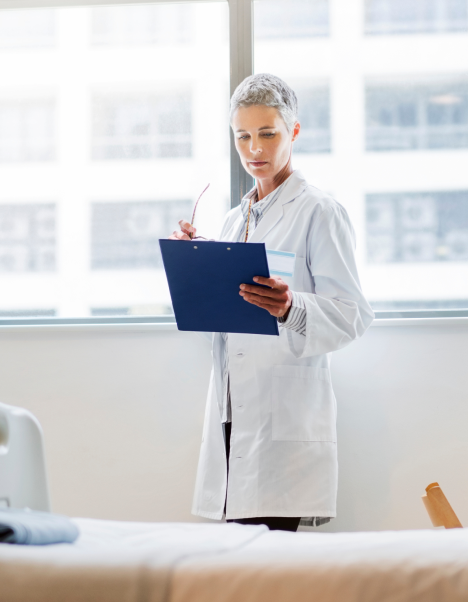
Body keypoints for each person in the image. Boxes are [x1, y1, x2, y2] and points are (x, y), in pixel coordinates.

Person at [169, 73, 374, 532]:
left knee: (269, 562)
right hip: (232, 416)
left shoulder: (319, 212)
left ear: (293, 131)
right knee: (241, 559)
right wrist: (194, 265)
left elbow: (352, 315)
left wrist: (289, 307)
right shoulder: (232, 221)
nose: (254, 149)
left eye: (268, 133)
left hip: (282, 420)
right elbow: (222, 325)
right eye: (242, 136)